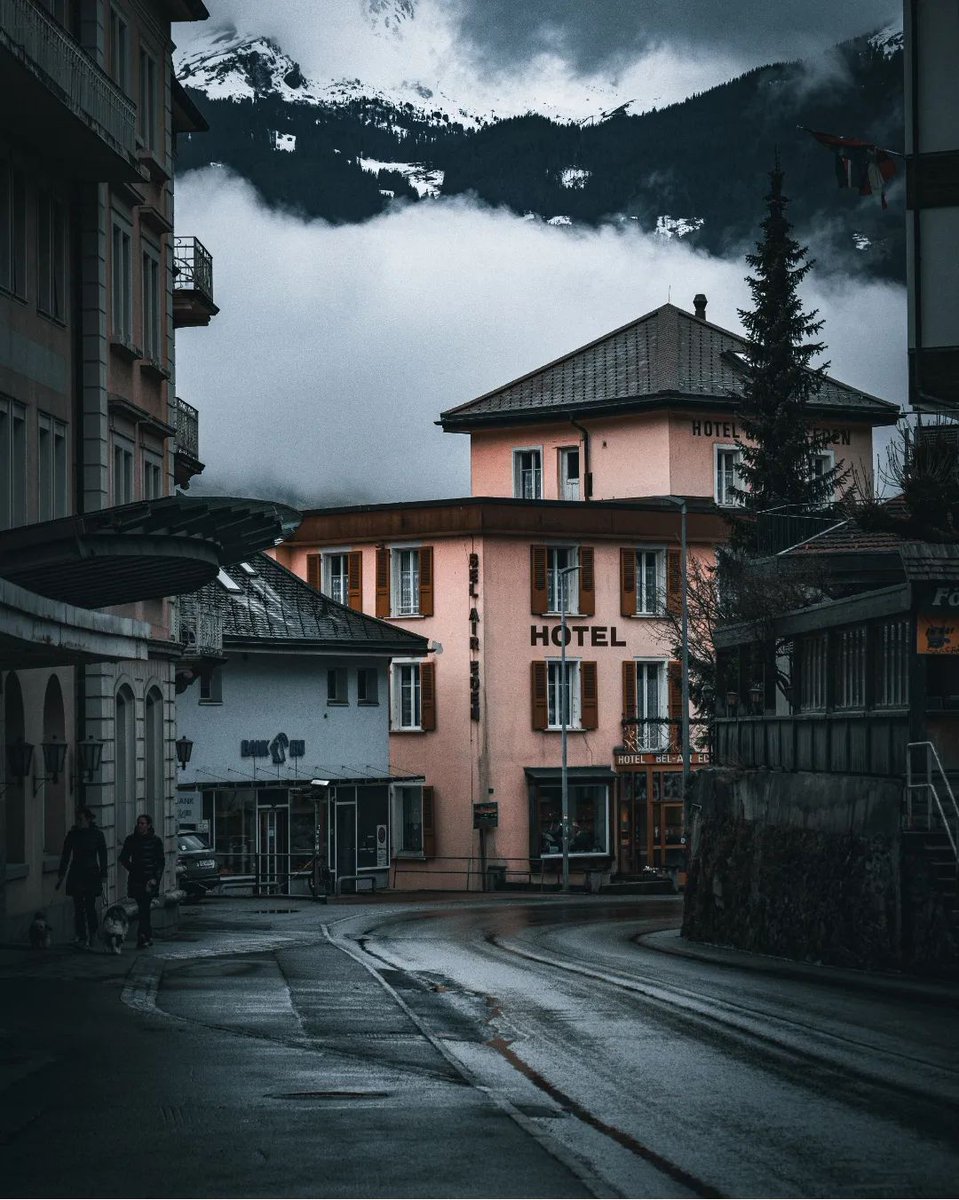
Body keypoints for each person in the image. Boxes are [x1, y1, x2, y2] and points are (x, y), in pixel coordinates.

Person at [55, 806, 108, 949]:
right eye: (77, 819)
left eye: (81, 819)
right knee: (78, 907)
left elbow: (103, 855)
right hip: (77, 872)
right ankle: (81, 936)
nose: (79, 822)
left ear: (88, 819)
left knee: (90, 906)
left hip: (91, 873)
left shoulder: (97, 835)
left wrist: (104, 874)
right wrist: (61, 874)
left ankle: (93, 934)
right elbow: (66, 855)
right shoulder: (73, 835)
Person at [119, 813, 165, 948]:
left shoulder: (155, 841)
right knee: (143, 907)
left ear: (148, 825)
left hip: (149, 881)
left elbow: (160, 861)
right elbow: (123, 858)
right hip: (136, 879)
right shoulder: (131, 840)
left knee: (144, 907)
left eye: (143, 823)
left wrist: (155, 878)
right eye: (139, 823)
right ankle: (145, 935)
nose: (140, 826)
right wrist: (132, 868)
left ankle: (143, 935)